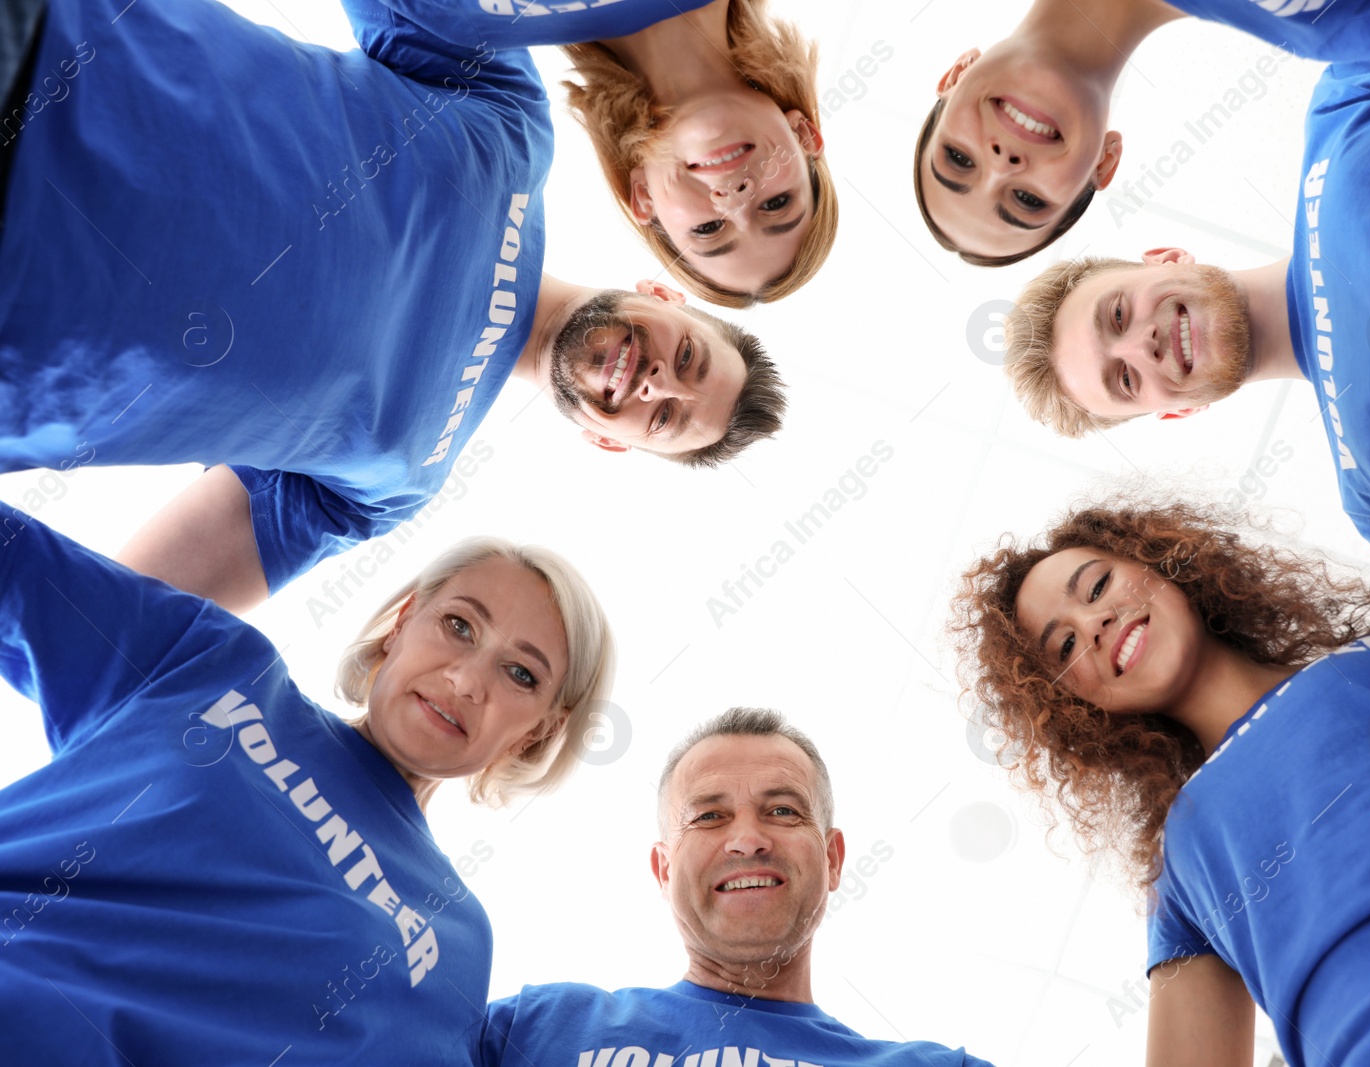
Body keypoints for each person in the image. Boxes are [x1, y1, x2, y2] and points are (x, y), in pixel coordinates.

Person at [0, 0, 788, 614]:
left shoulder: (394, 484)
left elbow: (124, 620)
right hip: (48, 50)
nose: (657, 382)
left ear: (607, 443)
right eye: (688, 357)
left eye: (664, 418)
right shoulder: (512, 124)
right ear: (663, 293)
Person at [950, 496, 1370, 1065]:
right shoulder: (1182, 861)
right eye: (1063, 649)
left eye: (1096, 586)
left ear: (1157, 561)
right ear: (1078, 708)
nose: (1092, 625)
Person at [999, 16, 1370, 626]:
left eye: (1118, 313)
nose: (1141, 344)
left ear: (1166, 257)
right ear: (1178, 411)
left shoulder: (1348, 107)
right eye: (1123, 380)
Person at [0, 505, 616, 1063]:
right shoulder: (215, 663)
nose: (465, 679)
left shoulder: (453, 935)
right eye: (458, 625)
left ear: (538, 732)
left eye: (519, 673)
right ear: (402, 622)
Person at [476, 707, 998, 1067]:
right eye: (709, 816)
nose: (747, 839)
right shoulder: (533, 1030)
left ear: (834, 859)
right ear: (663, 870)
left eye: (782, 811)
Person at [913, 0, 1370, 264]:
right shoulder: (1333, 25)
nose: (1002, 163)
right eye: (1026, 201)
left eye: (959, 160)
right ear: (1105, 165)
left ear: (955, 73)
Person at [562, 0, 838, 307]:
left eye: (708, 229)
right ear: (804, 134)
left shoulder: (508, 27)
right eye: (776, 204)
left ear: (643, 196)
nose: (735, 198)